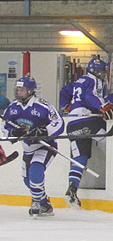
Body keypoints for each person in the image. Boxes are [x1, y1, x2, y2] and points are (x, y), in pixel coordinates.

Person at [58, 57, 113, 209]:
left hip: (73, 124)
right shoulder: (95, 81)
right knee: (112, 143)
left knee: (79, 158)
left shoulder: (79, 81)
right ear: (98, 72)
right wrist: (103, 106)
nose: (105, 75)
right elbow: (90, 96)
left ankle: (72, 188)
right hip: (89, 122)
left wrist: (66, 106)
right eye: (103, 72)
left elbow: (64, 91)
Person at [1, 77, 64, 217]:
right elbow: (3, 127)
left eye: (22, 90)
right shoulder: (13, 108)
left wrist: (44, 131)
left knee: (36, 172)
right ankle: (44, 204)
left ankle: (35, 201)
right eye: (18, 89)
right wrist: (12, 133)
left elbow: (58, 122)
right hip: (27, 149)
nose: (19, 92)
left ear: (30, 91)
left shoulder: (42, 106)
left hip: (44, 146)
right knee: (27, 180)